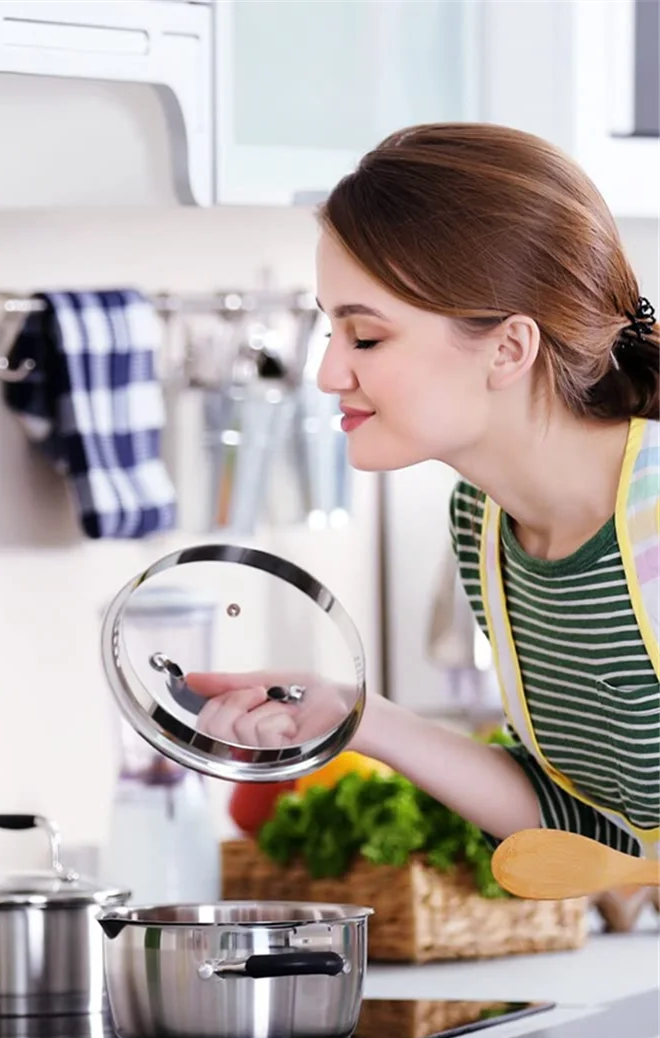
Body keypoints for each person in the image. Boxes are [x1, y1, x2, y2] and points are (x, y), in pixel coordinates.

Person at [189, 123, 660, 857]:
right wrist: (351, 716)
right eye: (331, 333)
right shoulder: (484, 524)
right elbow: (588, 829)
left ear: (509, 347)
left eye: (366, 338)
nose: (328, 374)